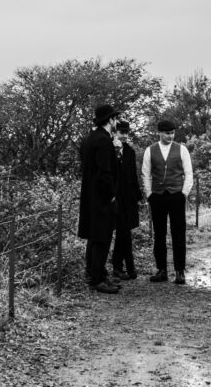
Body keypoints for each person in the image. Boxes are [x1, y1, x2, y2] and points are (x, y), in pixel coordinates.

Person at [141, 119, 193, 284]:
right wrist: (149, 194)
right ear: (160, 133)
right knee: (159, 234)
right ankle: (161, 270)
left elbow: (189, 173)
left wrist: (183, 193)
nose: (170, 136)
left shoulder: (182, 149)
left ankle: (179, 271)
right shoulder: (150, 151)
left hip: (176, 196)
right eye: (167, 133)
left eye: (172, 133)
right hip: (157, 197)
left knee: (178, 233)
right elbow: (145, 174)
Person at [77, 104, 121, 294]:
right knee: (102, 237)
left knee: (94, 237)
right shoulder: (103, 141)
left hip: (90, 195)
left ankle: (97, 274)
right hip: (101, 198)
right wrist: (111, 196)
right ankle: (97, 280)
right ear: (110, 120)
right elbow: (105, 173)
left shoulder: (89, 139)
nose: (117, 122)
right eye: (115, 118)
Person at [111, 120, 143, 280]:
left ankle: (120, 267)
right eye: (121, 132)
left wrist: (138, 196)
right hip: (116, 197)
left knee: (125, 232)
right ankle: (125, 266)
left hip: (129, 197)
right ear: (115, 132)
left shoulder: (130, 151)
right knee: (123, 232)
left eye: (126, 132)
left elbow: (133, 175)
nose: (124, 135)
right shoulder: (110, 149)